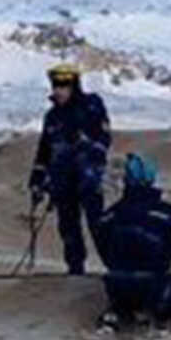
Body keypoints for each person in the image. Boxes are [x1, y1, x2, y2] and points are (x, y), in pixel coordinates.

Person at [95, 153, 171, 327]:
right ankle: (164, 310)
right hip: (153, 285)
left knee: (126, 289)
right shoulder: (165, 215)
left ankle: (121, 309)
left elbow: (104, 252)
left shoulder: (109, 215)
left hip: (117, 284)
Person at [26, 62, 110, 274]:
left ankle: (116, 269)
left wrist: (87, 148)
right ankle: (75, 271)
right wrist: (37, 179)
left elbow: (103, 138)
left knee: (99, 227)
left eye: (63, 86)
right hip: (62, 182)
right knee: (68, 229)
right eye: (56, 86)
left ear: (74, 86)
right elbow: (44, 150)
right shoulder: (52, 117)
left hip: (88, 181)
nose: (58, 91)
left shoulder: (92, 105)